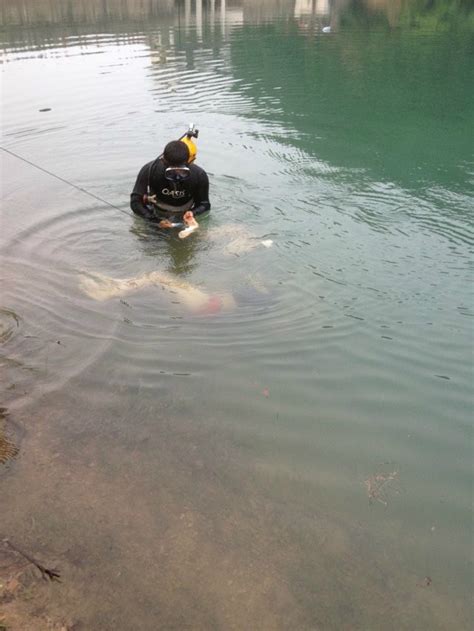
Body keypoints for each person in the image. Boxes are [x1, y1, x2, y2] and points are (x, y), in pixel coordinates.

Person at [130, 140, 210, 230]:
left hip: (184, 216)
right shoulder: (150, 169)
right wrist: (154, 220)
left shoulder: (199, 174)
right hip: (155, 214)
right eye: (171, 170)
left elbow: (204, 204)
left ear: (189, 161)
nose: (177, 175)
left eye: (181, 170)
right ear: (163, 161)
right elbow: (135, 201)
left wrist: (192, 213)